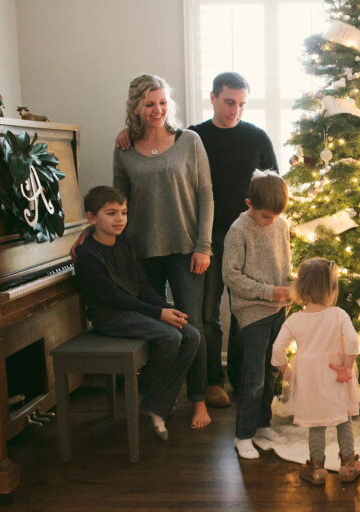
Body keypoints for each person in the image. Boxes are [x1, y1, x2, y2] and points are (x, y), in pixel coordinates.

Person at [117, 72, 278, 407]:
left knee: (244, 309)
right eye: (229, 102)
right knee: (206, 315)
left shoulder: (250, 138)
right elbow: (123, 196)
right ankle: (206, 384)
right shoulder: (191, 136)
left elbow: (269, 186)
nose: (235, 110)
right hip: (199, 237)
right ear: (213, 98)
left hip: (238, 236)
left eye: (242, 104)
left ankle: (240, 379)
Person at [87, 73, 214, 430]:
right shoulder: (124, 147)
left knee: (193, 323)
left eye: (162, 102)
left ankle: (199, 400)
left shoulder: (189, 141)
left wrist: (204, 246)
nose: (157, 109)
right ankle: (159, 397)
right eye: (149, 103)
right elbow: (116, 201)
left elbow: (206, 194)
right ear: (136, 108)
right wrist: (91, 233)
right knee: (156, 328)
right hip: (140, 253)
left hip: (187, 248)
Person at [75, 186, 200, 441]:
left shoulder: (126, 244)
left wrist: (164, 308)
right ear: (91, 218)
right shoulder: (88, 255)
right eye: (111, 213)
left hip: (134, 310)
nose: (120, 218)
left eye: (123, 212)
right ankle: (151, 394)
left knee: (191, 335)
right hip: (110, 316)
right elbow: (114, 297)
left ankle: (156, 402)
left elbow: (141, 285)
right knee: (170, 338)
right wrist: (157, 314)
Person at [271, 257, 360, 485]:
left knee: (316, 423)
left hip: (309, 380)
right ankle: (348, 464)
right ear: (332, 289)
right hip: (336, 376)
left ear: (301, 288)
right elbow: (352, 342)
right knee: (344, 419)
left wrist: (288, 373)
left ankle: (316, 468)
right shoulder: (339, 314)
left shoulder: (294, 320)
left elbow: (276, 351)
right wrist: (346, 367)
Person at [222, 170, 291, 459]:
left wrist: (287, 289)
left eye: (275, 216)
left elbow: (285, 261)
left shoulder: (280, 223)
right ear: (249, 203)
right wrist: (267, 292)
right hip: (252, 310)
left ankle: (262, 423)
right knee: (255, 375)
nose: (271, 221)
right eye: (265, 216)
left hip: (278, 308)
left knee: (272, 368)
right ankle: (243, 435)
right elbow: (230, 275)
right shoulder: (239, 230)